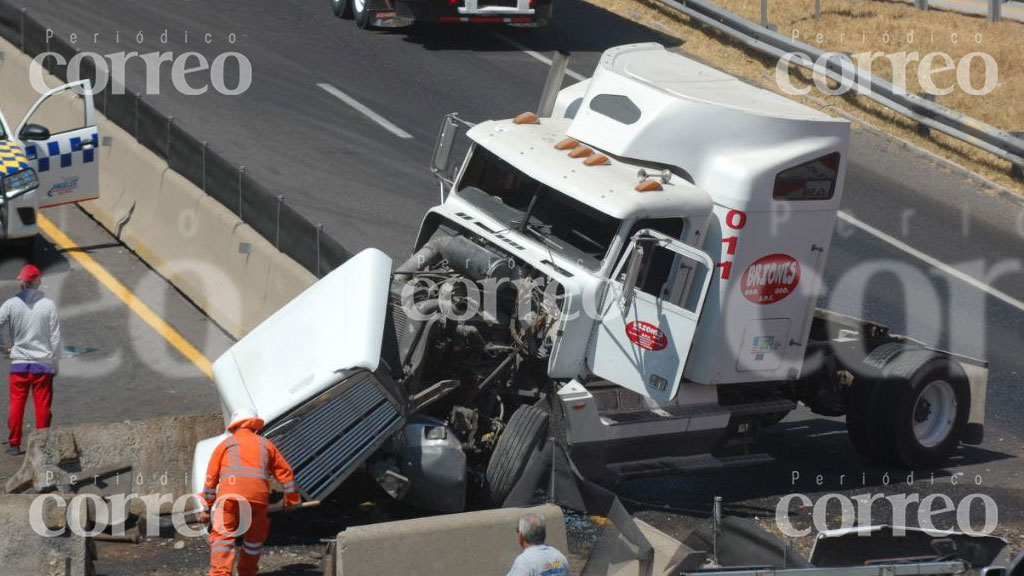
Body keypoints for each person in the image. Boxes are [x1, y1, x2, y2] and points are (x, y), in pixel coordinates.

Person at [197, 407, 300, 576]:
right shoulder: (266, 445)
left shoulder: (225, 445)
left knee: (223, 538)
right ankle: (247, 572)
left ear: (235, 426)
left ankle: (220, 573)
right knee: (253, 541)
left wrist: (206, 509)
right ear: (254, 425)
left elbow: (210, 480)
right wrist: (291, 500)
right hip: (257, 499)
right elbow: (286, 475)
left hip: (229, 499)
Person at [0, 264, 60, 456]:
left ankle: (14, 444)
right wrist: (55, 361)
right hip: (43, 364)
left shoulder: (11, 304)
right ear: (38, 283)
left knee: (17, 404)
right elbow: (55, 339)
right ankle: (42, 446)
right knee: (42, 405)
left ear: (23, 284)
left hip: (19, 365)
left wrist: (4, 347)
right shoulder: (49, 305)